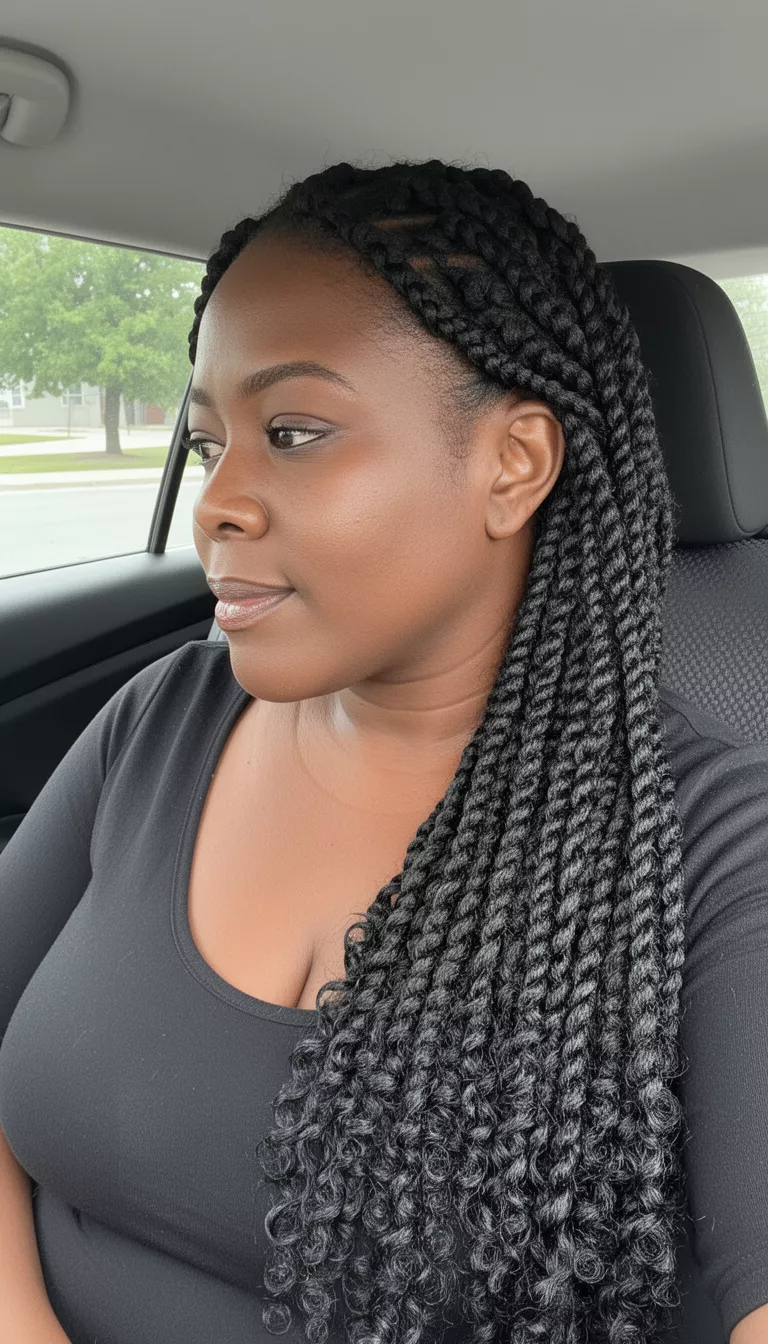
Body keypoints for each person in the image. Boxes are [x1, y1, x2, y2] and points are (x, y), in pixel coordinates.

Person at [1, 159, 768, 1344]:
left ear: (512, 464)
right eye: (211, 444)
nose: (219, 502)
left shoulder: (713, 854)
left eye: (294, 432)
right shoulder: (162, 719)